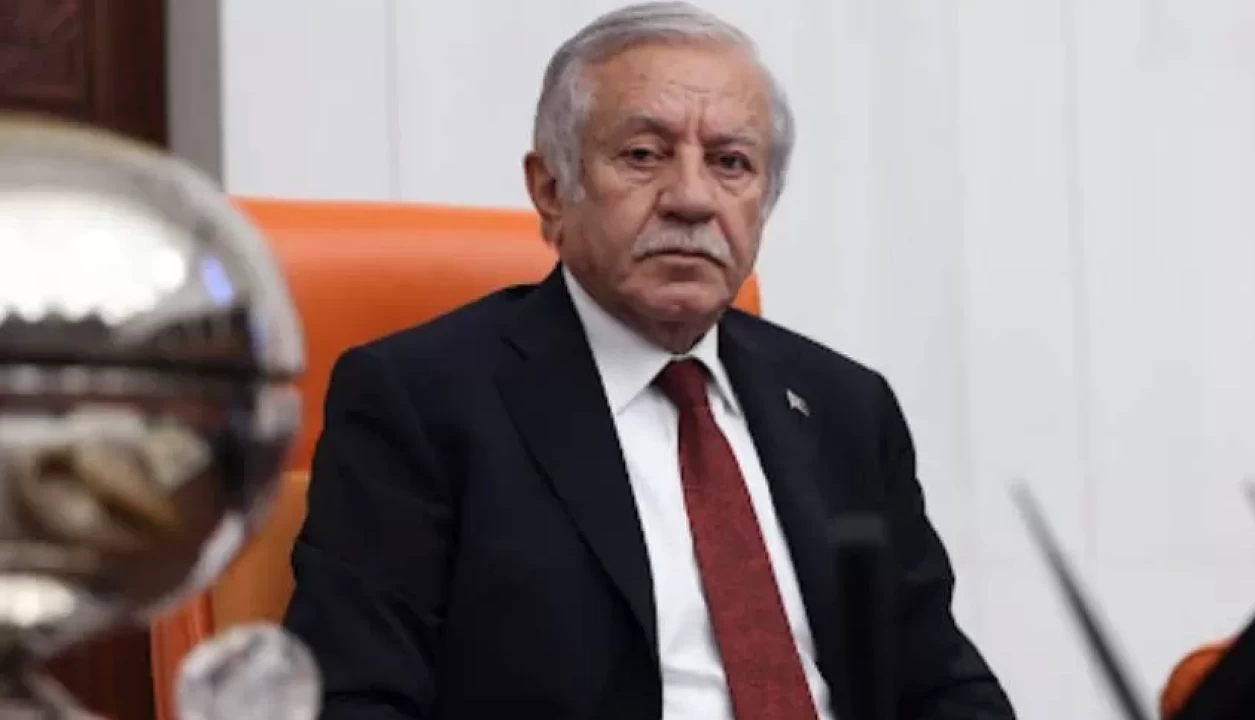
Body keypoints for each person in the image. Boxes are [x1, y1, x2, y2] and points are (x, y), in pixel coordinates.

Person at [281, 3, 1015, 719]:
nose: (691, 199)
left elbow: (942, 686)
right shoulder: (421, 400)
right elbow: (351, 696)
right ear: (551, 190)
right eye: (643, 155)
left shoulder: (845, 406)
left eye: (730, 163)